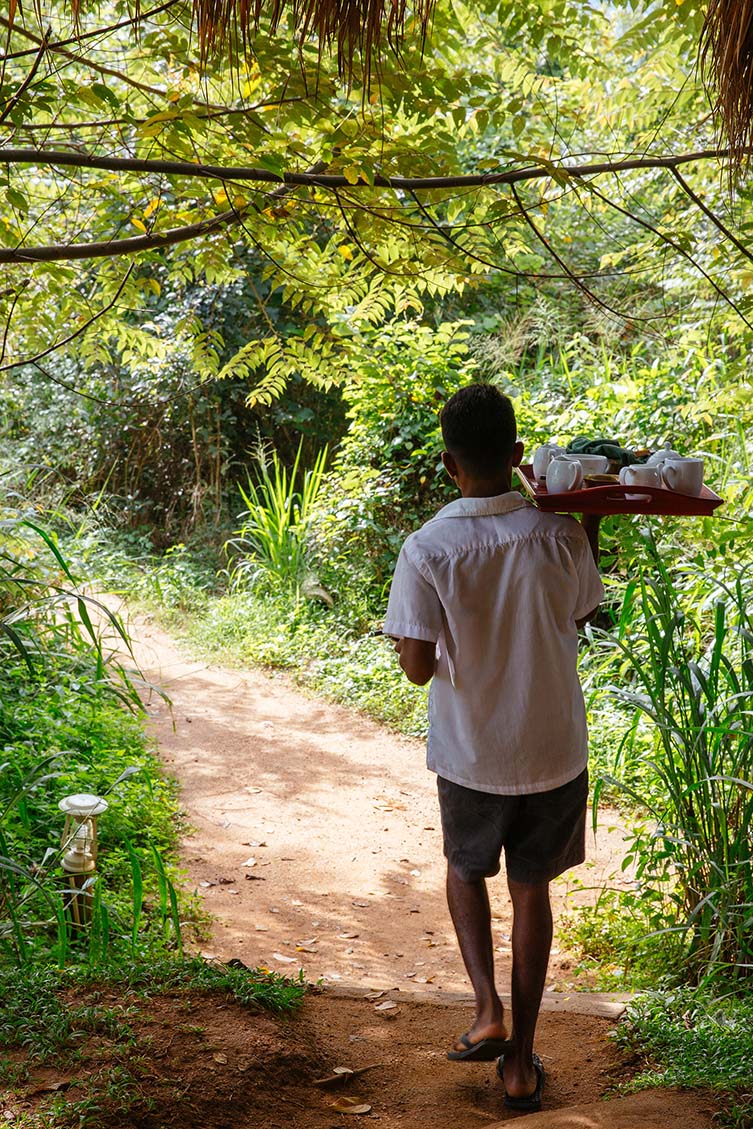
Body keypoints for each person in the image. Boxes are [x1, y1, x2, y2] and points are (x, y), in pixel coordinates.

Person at [382, 383, 604, 1113]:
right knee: (531, 890)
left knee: (463, 868)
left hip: (473, 751)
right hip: (551, 749)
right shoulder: (561, 533)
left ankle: (486, 1007)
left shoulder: (427, 547)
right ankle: (518, 1065)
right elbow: (581, 611)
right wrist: (589, 527)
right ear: (515, 455)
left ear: (449, 464)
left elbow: (416, 668)